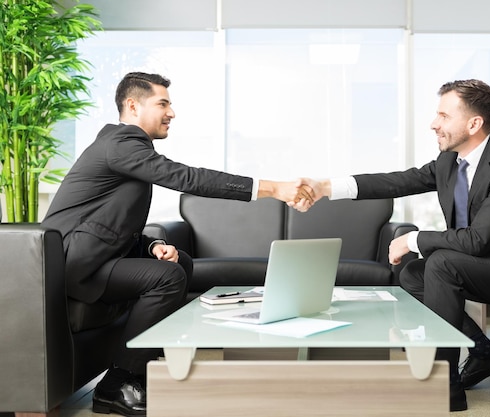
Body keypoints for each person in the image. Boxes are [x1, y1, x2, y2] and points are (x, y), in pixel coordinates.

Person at [294, 79, 490, 412]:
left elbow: (477, 239)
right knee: (415, 273)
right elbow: (397, 181)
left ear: (473, 123)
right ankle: (486, 354)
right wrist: (326, 186)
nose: (434, 124)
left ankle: (445, 386)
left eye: (443, 115)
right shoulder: (449, 161)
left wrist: (412, 238)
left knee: (441, 263)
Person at [42, 72, 312, 417]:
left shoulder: (125, 148)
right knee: (166, 278)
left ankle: (149, 365)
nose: (171, 112)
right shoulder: (121, 143)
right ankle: (117, 383)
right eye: (163, 103)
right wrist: (273, 188)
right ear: (132, 105)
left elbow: (106, 223)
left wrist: (153, 246)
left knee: (178, 262)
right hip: (73, 263)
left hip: (91, 256)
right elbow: (188, 178)